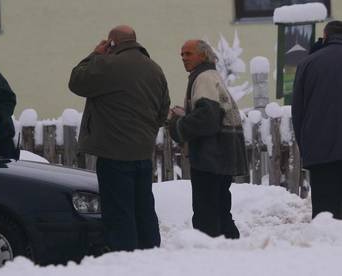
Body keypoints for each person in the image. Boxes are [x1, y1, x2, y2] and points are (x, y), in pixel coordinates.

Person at [68, 25, 170, 251]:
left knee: (118, 210)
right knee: (143, 207)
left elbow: (76, 81)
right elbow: (163, 110)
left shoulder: (107, 65)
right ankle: (151, 251)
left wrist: (95, 54)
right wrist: (146, 134)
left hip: (113, 152)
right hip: (142, 153)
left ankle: (125, 257)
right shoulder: (155, 69)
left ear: (112, 44)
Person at [168, 40, 248, 239]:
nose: (183, 58)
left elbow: (207, 118)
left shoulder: (203, 78)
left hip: (210, 156)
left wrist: (177, 124)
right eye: (182, 55)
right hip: (223, 153)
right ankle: (232, 247)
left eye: (188, 54)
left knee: (207, 212)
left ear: (203, 56)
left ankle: (209, 251)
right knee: (221, 208)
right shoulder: (213, 76)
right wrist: (187, 114)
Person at [292, 20, 342, 220]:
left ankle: (325, 246)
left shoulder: (308, 63)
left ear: (325, 36)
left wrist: (306, 148)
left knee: (325, 212)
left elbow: (298, 111)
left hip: (320, 150)